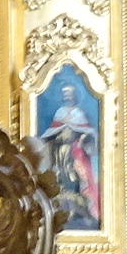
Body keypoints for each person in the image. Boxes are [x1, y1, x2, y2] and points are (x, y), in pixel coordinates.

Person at [39, 80, 103, 229]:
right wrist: (57, 136)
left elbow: (88, 132)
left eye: (69, 94)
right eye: (65, 94)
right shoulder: (60, 113)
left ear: (74, 96)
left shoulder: (78, 114)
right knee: (61, 174)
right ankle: (62, 200)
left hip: (75, 153)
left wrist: (82, 138)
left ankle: (76, 202)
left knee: (73, 175)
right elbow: (51, 132)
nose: (67, 96)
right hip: (59, 151)